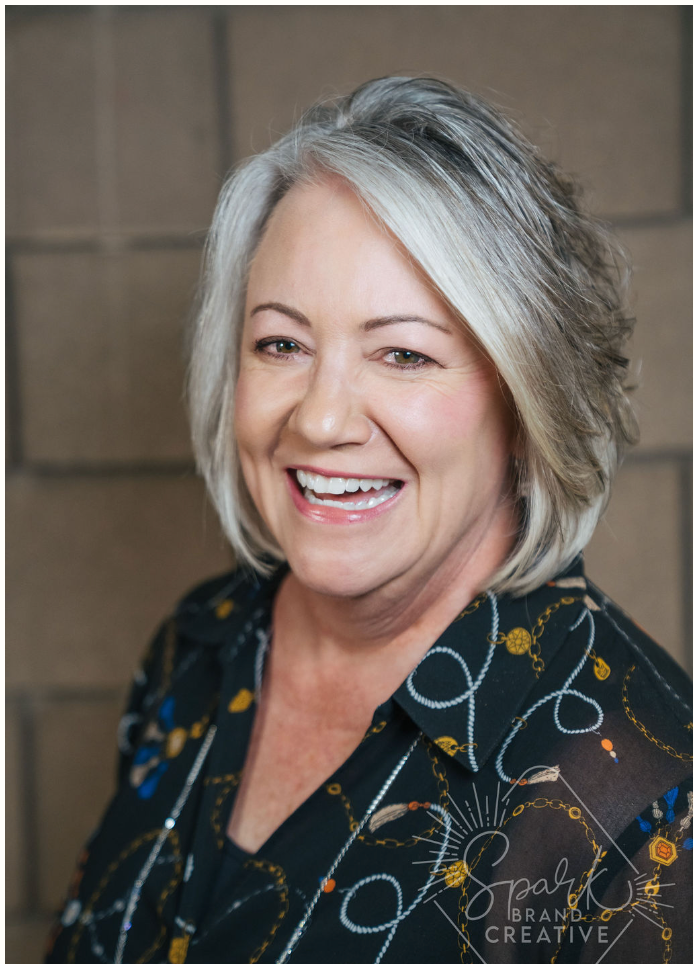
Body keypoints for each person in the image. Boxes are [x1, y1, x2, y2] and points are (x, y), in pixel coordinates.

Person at [46, 77, 691, 964]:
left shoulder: (642, 799)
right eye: (282, 344)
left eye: (402, 353)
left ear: (527, 397)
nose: (318, 419)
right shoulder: (197, 648)